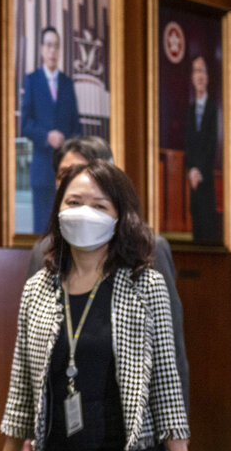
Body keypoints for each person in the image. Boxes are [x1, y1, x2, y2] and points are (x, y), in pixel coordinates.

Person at [0, 159, 205, 451]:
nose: (84, 212)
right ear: (58, 210)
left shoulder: (146, 284)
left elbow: (167, 386)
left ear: (120, 215)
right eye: (74, 201)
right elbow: (21, 392)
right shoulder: (39, 289)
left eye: (98, 204)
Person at [27, 136, 189, 410]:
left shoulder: (149, 248)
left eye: (87, 172)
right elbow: (31, 354)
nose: (78, 181)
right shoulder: (43, 252)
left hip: (130, 423)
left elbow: (169, 353)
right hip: (58, 426)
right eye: (65, 175)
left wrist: (174, 438)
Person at [21, 26, 82, 233]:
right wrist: (47, 136)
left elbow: (76, 127)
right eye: (48, 45)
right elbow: (25, 125)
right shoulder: (32, 80)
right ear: (41, 49)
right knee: (41, 232)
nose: (52, 51)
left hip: (66, 173)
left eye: (56, 46)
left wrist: (68, 143)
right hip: (41, 169)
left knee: (65, 232)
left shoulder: (67, 83)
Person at [183, 56, 220, 242]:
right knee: (196, 231)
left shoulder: (214, 109)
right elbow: (187, 145)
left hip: (205, 181)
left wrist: (199, 171)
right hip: (193, 181)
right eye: (195, 71)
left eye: (202, 71)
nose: (199, 75)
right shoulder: (189, 110)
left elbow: (212, 145)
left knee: (208, 232)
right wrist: (191, 170)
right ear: (192, 77)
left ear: (207, 76)